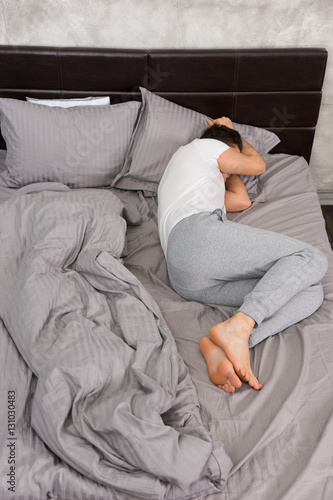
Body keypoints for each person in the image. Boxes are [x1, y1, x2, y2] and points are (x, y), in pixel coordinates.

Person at [157, 117, 328, 393]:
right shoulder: (202, 148)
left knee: (310, 290)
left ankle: (227, 345)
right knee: (311, 258)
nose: (226, 177)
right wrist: (235, 133)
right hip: (196, 238)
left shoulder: (193, 184)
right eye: (229, 168)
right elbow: (257, 166)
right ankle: (238, 325)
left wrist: (226, 172)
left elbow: (242, 200)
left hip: (186, 278)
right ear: (226, 151)